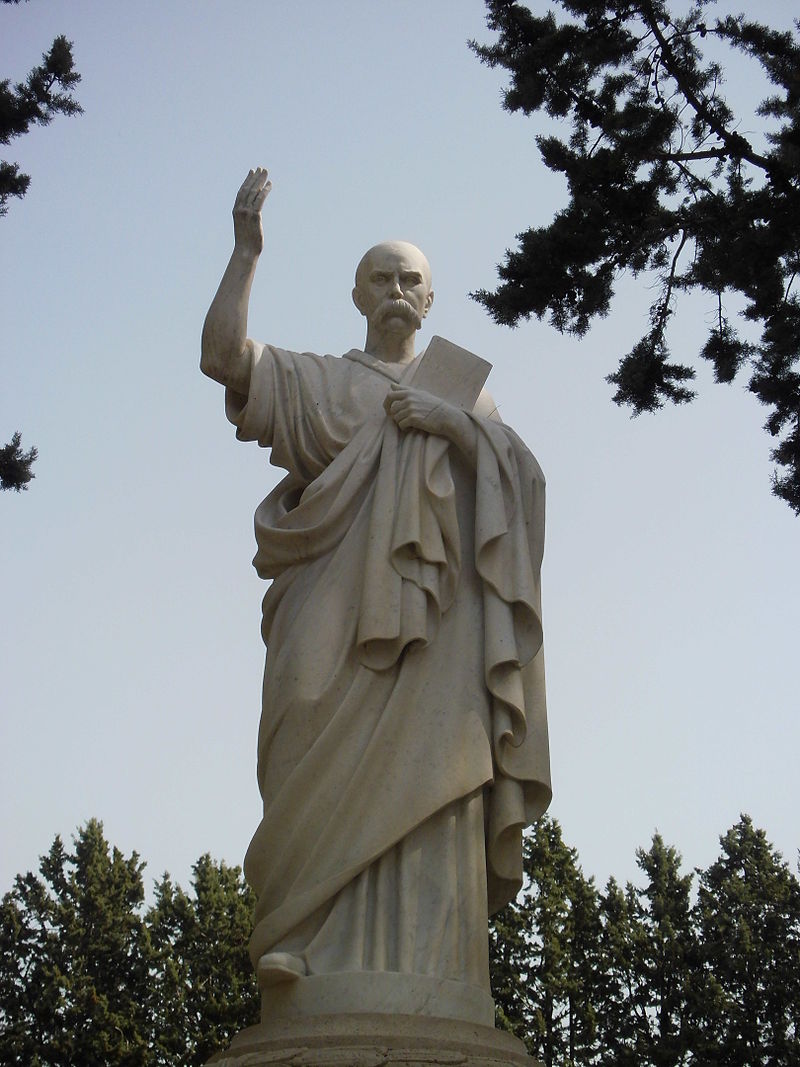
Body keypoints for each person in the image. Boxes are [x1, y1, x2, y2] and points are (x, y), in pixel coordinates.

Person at [201, 168, 551, 1019]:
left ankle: (441, 960)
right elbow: (222, 358)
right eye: (381, 278)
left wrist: (457, 426)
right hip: (327, 592)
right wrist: (245, 257)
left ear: (431, 299)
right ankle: (300, 934)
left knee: (437, 769)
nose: (396, 290)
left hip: (440, 631)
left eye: (411, 280)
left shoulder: (468, 392)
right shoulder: (320, 380)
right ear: (356, 293)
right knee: (299, 725)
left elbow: (523, 496)